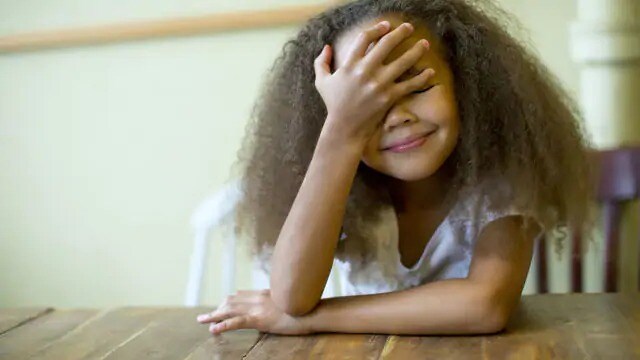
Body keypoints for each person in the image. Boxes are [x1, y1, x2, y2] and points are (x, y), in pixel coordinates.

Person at [197, 0, 592, 336]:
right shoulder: (348, 184)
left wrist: (312, 320)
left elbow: (484, 305)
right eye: (364, 107)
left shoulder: (501, 181)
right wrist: (341, 134)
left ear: (468, 87)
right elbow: (292, 295)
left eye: (417, 87)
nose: (397, 117)